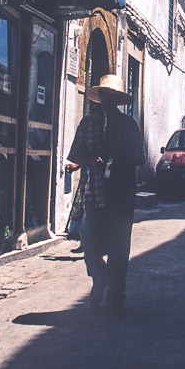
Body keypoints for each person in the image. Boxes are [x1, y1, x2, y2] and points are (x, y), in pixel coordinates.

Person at [67, 73, 144, 315]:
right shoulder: (87, 124)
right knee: (90, 247)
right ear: (99, 97)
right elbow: (76, 155)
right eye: (103, 95)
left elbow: (138, 158)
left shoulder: (129, 126)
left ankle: (115, 295)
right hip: (94, 195)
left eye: (110, 95)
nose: (106, 99)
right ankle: (99, 279)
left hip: (121, 196)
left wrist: (115, 163)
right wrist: (93, 161)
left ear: (118, 99)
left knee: (119, 250)